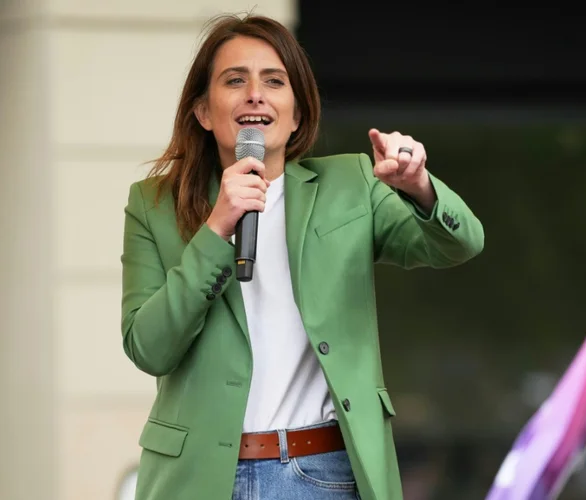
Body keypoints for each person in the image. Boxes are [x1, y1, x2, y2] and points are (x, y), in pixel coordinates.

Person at [120, 12, 484, 500]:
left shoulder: (351, 186)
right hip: (199, 478)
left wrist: (419, 187)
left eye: (275, 81)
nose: (255, 94)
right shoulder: (154, 206)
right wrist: (215, 232)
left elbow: (458, 244)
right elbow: (149, 347)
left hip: (323, 473)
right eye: (235, 80)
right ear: (204, 111)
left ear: (296, 114)